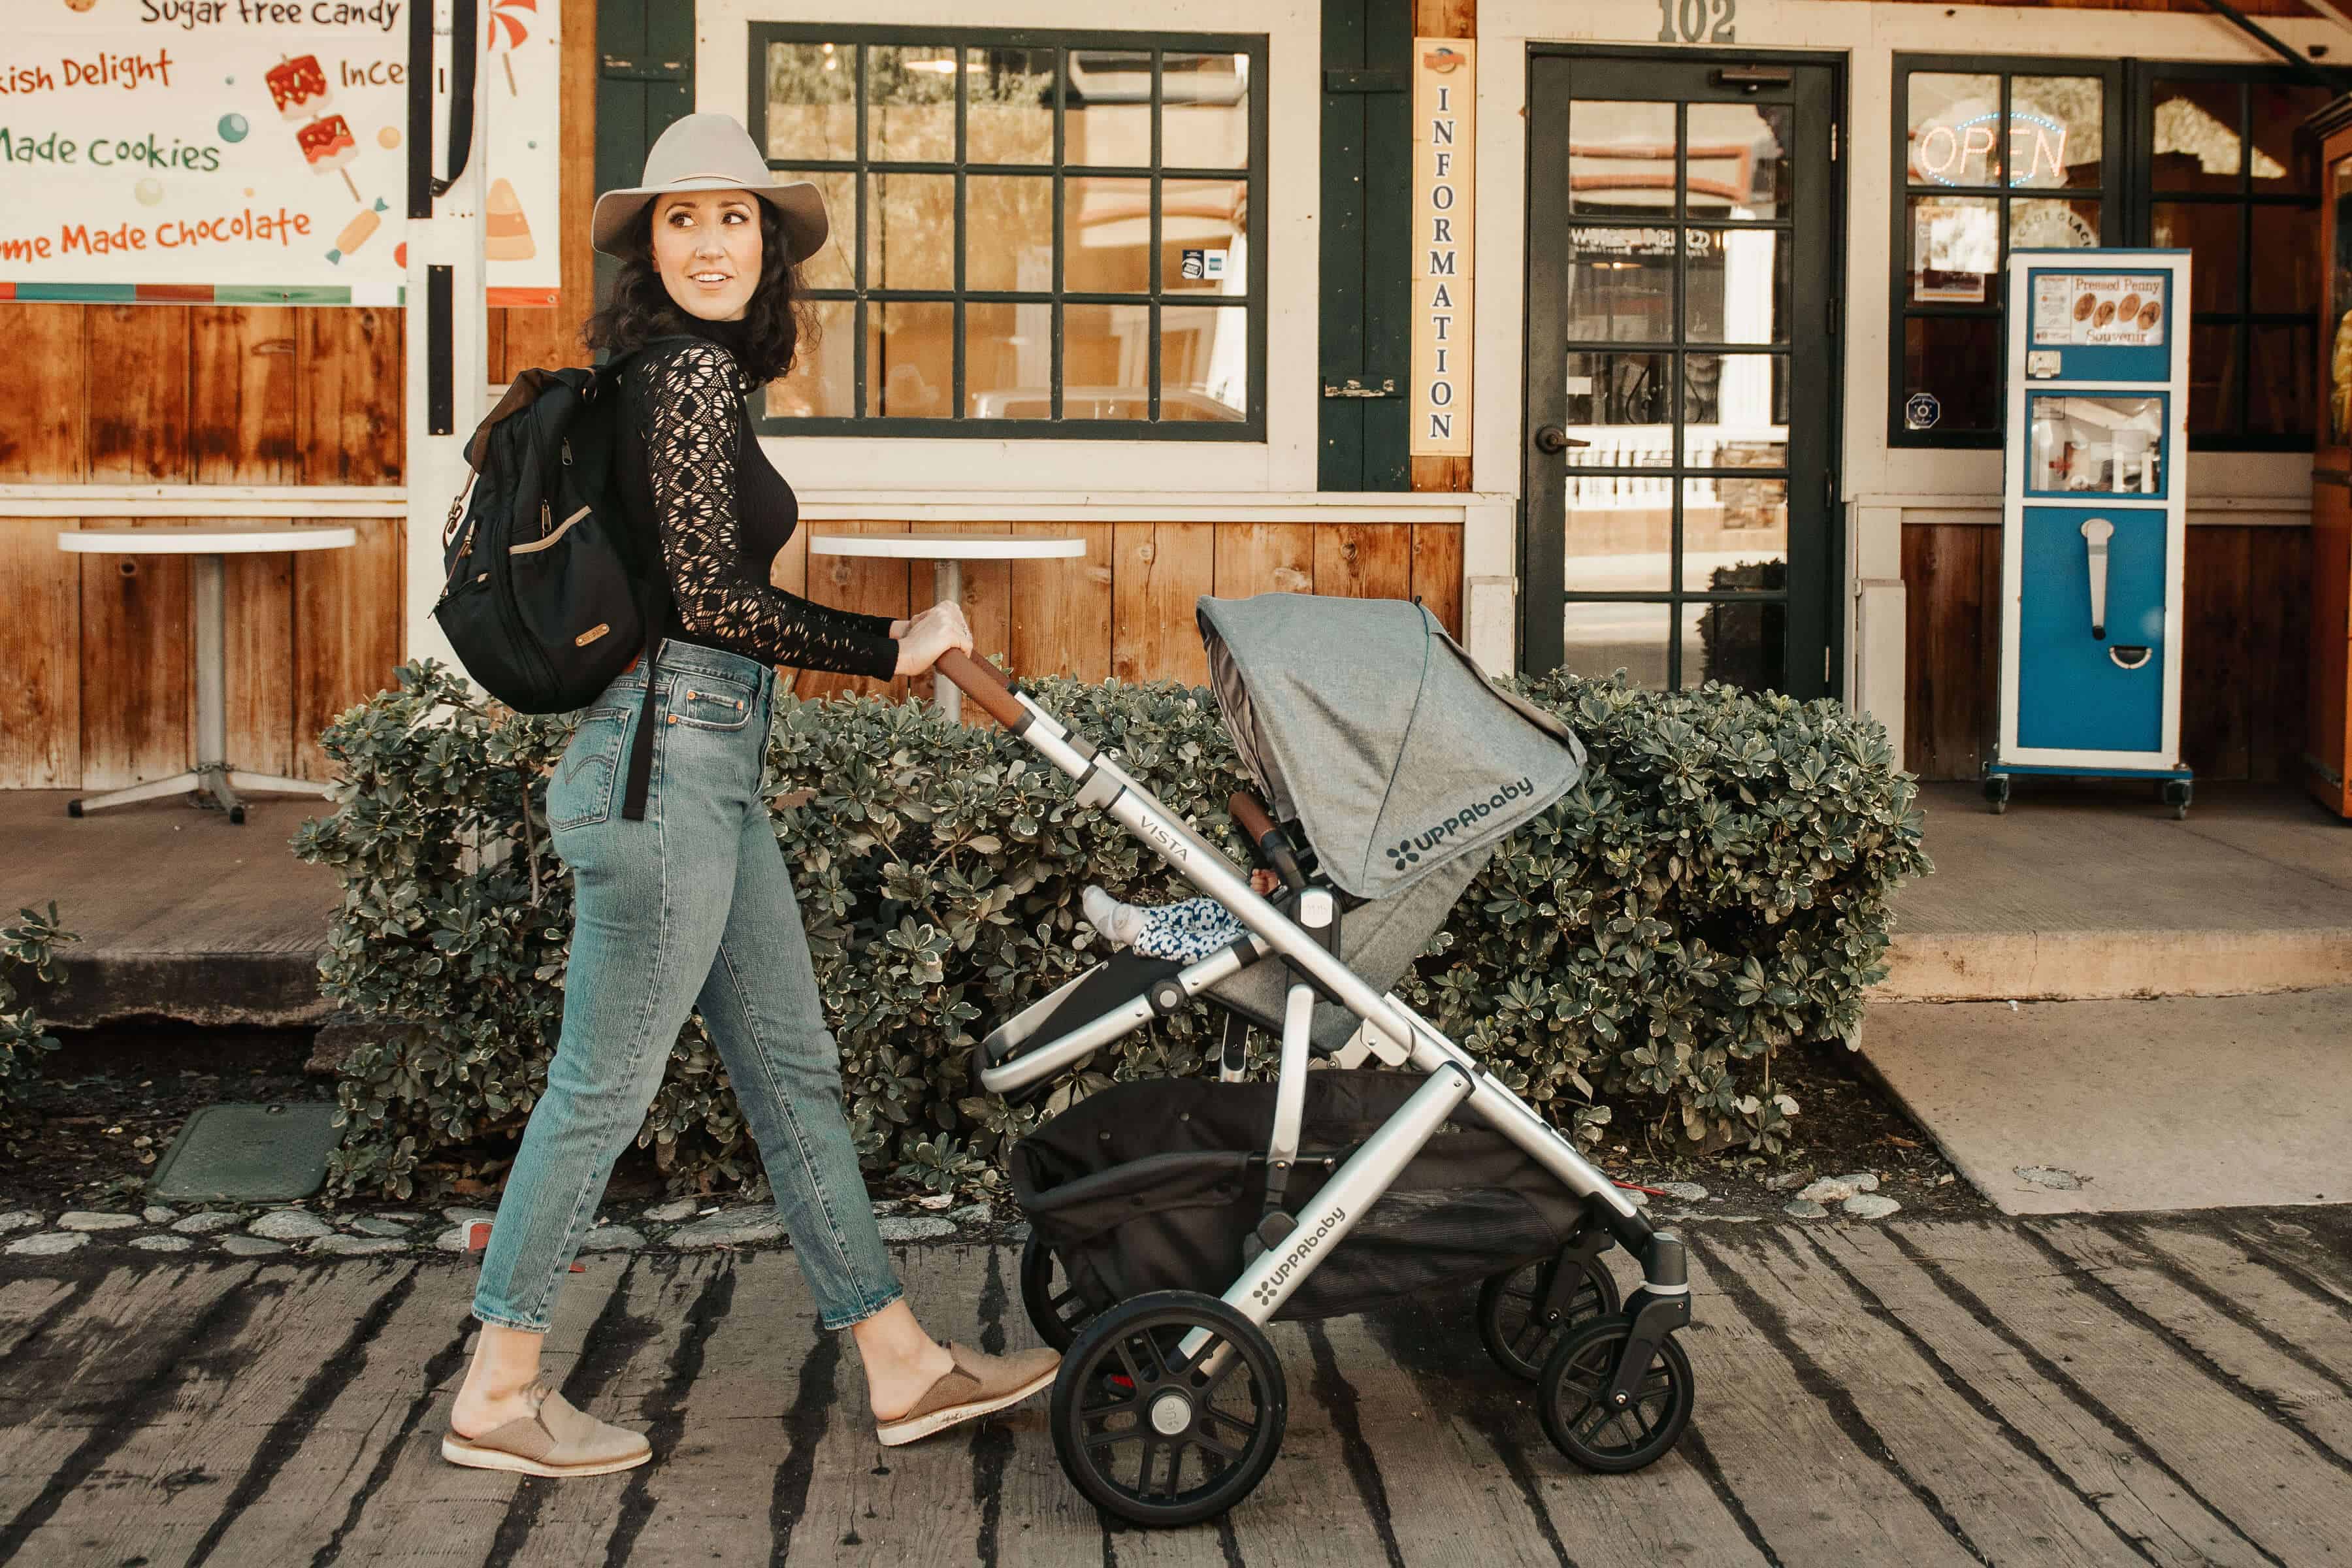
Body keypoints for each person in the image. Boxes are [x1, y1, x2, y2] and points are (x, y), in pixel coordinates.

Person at [440, 113, 1057, 1479]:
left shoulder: (678, 378)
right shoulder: (688, 382)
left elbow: (684, 596)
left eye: (734, 218)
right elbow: (716, 606)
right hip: (669, 759)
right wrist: (888, 647)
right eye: (682, 219)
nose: (711, 241)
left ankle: (899, 1365)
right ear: (648, 248)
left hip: (698, 760)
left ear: (766, 244)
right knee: (600, 1088)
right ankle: (499, 1385)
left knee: (793, 1077)